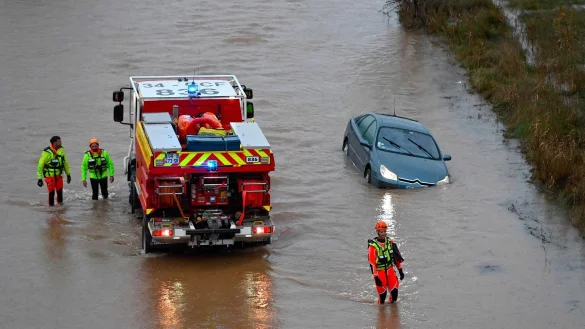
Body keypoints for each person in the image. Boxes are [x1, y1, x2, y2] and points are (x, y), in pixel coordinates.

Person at [368, 221, 405, 304]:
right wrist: (376, 277)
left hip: (390, 270)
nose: (383, 233)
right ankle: (381, 314)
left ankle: (393, 314)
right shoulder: (373, 247)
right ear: (377, 232)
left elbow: (396, 257)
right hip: (380, 272)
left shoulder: (390, 242)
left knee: (395, 294)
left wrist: (400, 270)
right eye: (381, 232)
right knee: (382, 297)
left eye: (385, 231)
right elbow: (372, 263)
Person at [37, 136, 71, 206]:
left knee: (60, 193)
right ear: (54, 143)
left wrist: (68, 174)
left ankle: (60, 210)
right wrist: (39, 178)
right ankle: (51, 211)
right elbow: (40, 165)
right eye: (59, 142)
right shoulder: (46, 152)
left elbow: (65, 163)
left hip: (59, 176)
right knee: (51, 193)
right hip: (50, 177)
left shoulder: (61, 151)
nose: (61, 143)